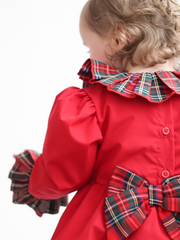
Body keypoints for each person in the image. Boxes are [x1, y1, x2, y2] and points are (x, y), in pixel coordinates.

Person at [9, 0, 180, 239]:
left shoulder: (89, 103)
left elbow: (62, 175)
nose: (90, 55)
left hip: (104, 226)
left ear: (118, 39)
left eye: (89, 48)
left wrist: (33, 177)